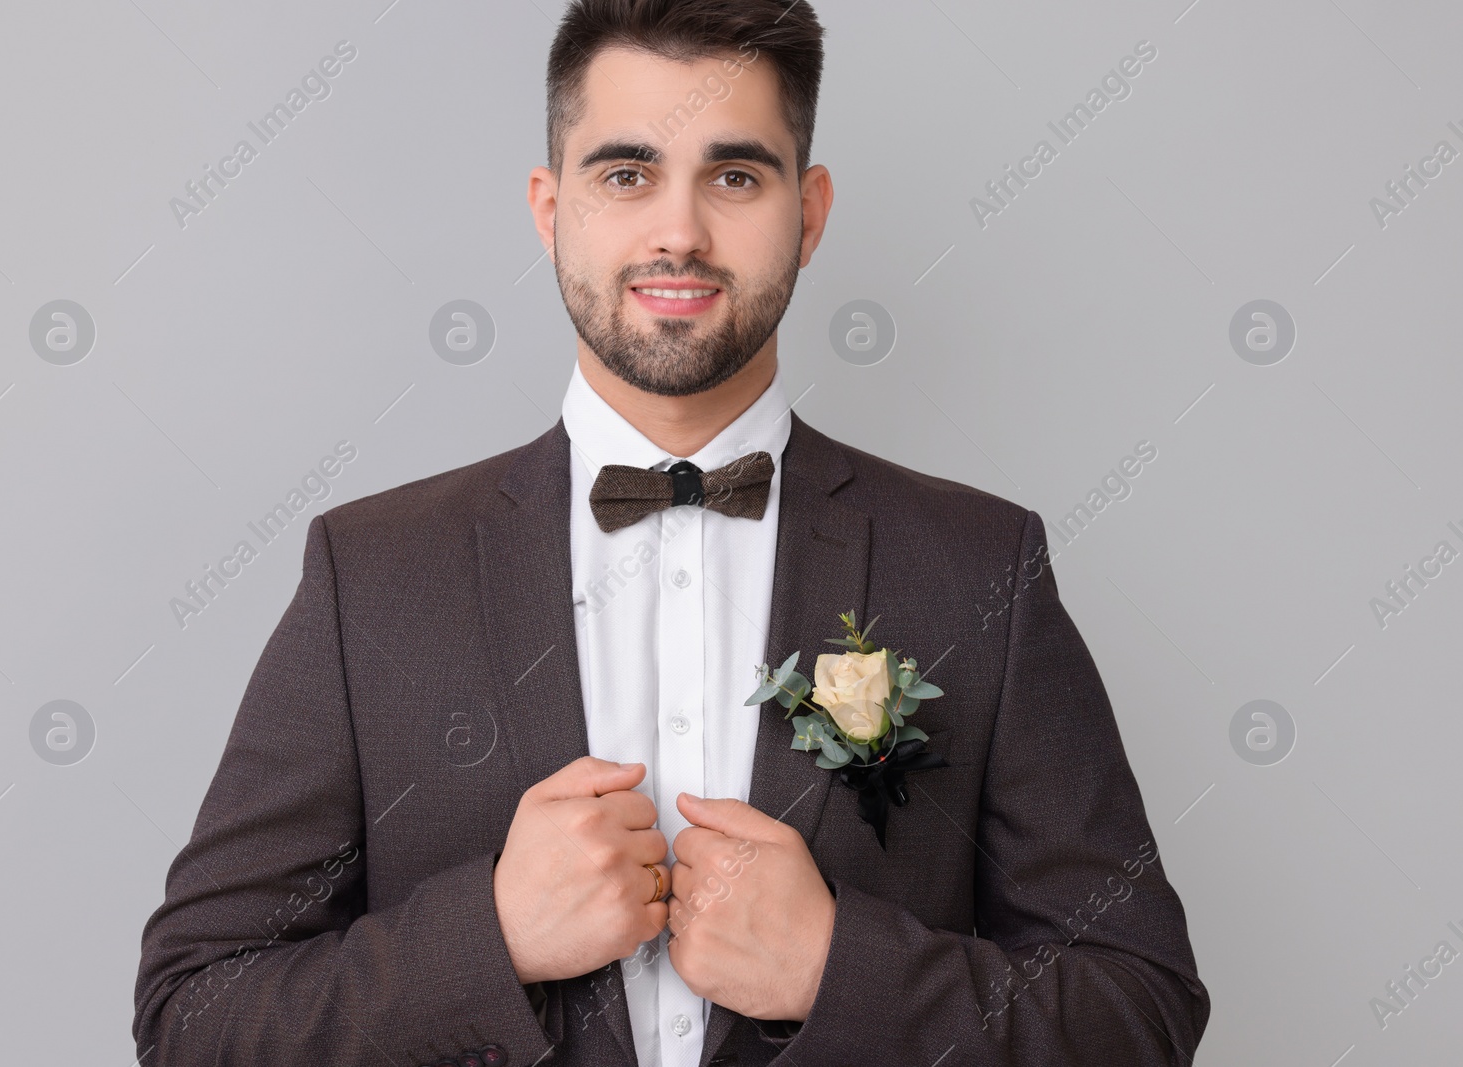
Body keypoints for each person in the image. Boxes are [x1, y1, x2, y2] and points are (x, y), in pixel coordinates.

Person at [133, 2, 1210, 1064]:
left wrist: (839, 963)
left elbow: (1140, 1010)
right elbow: (192, 1014)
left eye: (734, 176)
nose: (679, 232)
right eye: (626, 173)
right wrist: (490, 937)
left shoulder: (981, 565)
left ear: (810, 210)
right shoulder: (369, 575)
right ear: (551, 209)